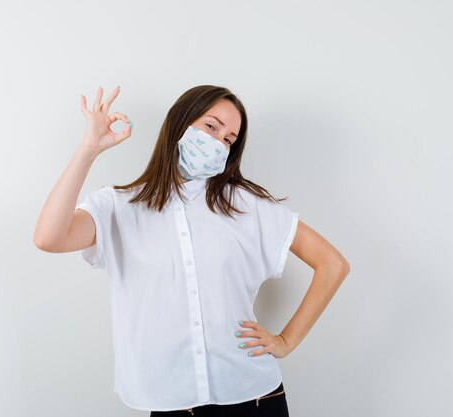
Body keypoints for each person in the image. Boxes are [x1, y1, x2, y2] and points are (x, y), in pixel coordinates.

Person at [33, 85, 351, 416]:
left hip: (254, 396)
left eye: (228, 139)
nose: (217, 142)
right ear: (180, 124)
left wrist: (286, 341)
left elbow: (332, 264)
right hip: (171, 401)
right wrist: (89, 149)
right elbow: (49, 238)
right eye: (211, 127)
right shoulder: (118, 207)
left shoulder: (246, 207)